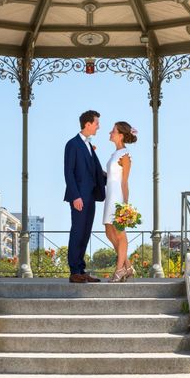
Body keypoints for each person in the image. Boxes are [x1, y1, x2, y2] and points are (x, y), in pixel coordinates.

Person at [64, 110, 106, 283]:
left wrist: (115, 173)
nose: (99, 126)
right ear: (87, 124)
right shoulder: (72, 144)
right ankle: (74, 271)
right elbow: (68, 172)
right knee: (77, 232)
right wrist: (75, 196)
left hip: (91, 196)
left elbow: (96, 171)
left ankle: (81, 269)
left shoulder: (89, 145)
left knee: (86, 233)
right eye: (97, 123)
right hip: (79, 197)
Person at [102, 121, 137, 282]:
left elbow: (124, 182)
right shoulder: (114, 154)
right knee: (109, 232)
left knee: (120, 234)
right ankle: (128, 267)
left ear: (120, 135)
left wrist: (125, 205)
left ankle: (119, 270)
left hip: (117, 198)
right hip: (109, 195)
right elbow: (109, 177)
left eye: (113, 131)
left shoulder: (125, 155)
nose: (110, 132)